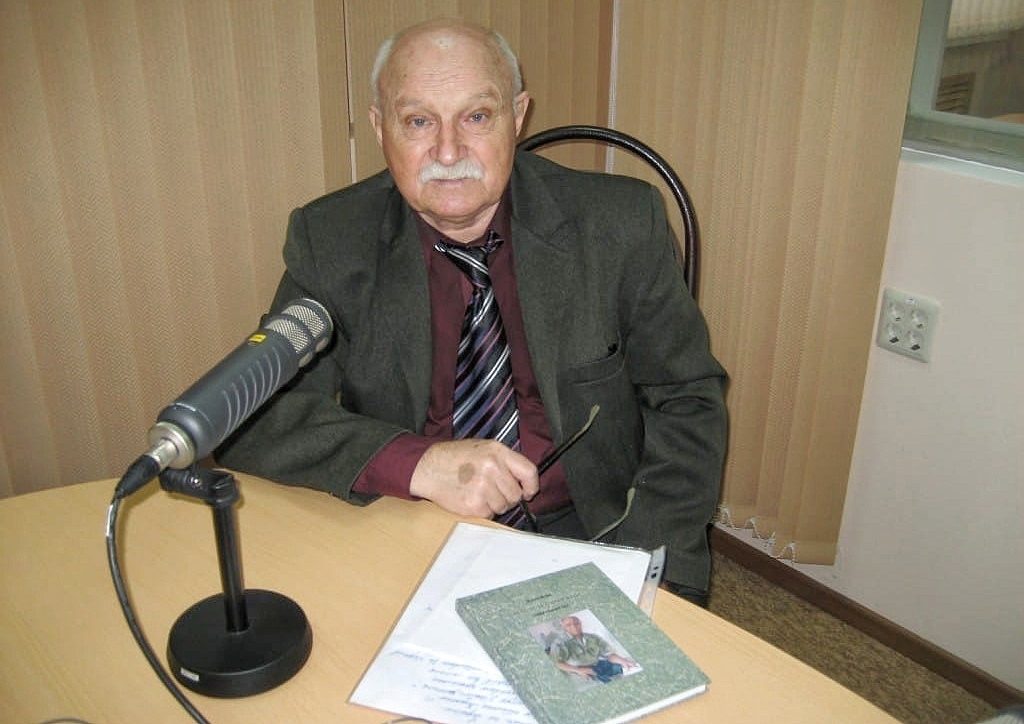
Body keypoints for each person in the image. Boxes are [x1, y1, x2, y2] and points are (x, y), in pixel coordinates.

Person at [216, 18, 727, 605]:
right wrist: (420, 464)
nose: (449, 151)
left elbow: (687, 398)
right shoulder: (332, 240)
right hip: (411, 522)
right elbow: (253, 415)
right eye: (418, 121)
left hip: (595, 531)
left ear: (518, 115)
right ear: (381, 128)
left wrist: (648, 564)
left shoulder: (619, 225)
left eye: (477, 117)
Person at [549, 615, 637, 683]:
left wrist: (622, 661)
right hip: (578, 672)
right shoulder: (559, 643)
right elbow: (557, 663)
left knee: (626, 669)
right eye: (568, 625)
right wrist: (578, 670)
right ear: (564, 628)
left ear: (580, 624)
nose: (574, 627)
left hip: (599, 666)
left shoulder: (593, 637)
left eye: (576, 623)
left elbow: (609, 654)